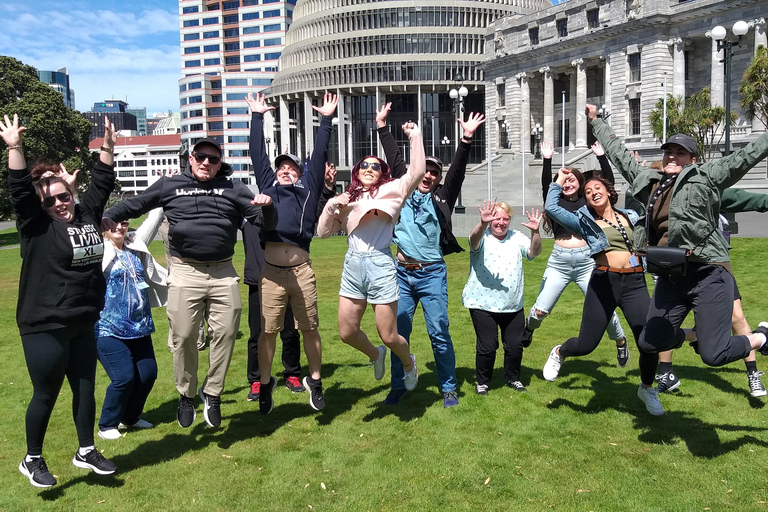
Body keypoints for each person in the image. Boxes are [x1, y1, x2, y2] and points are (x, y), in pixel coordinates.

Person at [102, 137, 277, 429]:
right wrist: (108, 215)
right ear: (191, 158)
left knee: (227, 333)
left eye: (214, 158)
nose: (207, 162)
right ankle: (186, 393)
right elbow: (136, 204)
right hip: (185, 272)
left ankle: (213, 393)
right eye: (201, 156)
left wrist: (268, 207)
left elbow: (266, 223)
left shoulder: (234, 188)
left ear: (220, 163)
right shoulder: (170, 186)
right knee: (183, 337)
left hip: (223, 272)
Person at [587, 104, 768, 384]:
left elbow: (746, 157)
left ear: (692, 159)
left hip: (708, 272)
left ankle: (760, 337)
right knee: (649, 342)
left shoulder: (707, 176)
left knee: (714, 354)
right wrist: (596, 122)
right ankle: (692, 335)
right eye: (668, 151)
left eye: (679, 152)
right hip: (672, 275)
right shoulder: (649, 182)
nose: (671, 156)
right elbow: (619, 155)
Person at [3, 113, 118, 487]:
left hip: (83, 320)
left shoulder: (85, 214)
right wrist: (15, 147)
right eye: (50, 200)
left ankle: (86, 450)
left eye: (64, 196)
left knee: (85, 387)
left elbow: (102, 182)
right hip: (45, 324)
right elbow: (20, 189)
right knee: (46, 393)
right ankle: (31, 458)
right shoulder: (36, 227)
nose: (59, 204)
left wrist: (108, 146)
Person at [376, 103, 485, 407]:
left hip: (432, 273)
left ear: (438, 178)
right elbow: (396, 159)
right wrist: (382, 127)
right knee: (399, 331)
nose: (429, 175)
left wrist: (465, 140)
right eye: (427, 170)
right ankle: (398, 385)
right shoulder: (405, 187)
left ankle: (448, 386)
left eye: (435, 173)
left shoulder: (443, 195)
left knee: (439, 331)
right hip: (402, 273)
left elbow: (459, 170)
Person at [543, 171, 664, 415]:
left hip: (634, 283)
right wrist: (558, 181)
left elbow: (652, 209)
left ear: (608, 191)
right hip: (603, 282)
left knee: (648, 343)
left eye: (597, 188)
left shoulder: (630, 216)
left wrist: (645, 174)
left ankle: (647, 388)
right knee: (586, 344)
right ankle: (560, 352)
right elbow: (551, 207)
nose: (592, 193)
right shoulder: (584, 221)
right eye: (587, 192)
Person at [317, 121, 425, 392]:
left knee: (388, 334)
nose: (369, 169)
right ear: (356, 172)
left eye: (375, 166)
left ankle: (409, 362)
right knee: (346, 333)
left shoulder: (393, 191)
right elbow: (322, 234)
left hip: (380, 264)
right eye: (364, 165)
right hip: (352, 264)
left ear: (382, 172)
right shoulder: (347, 198)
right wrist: (331, 206)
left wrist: (415, 136)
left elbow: (418, 171)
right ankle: (376, 355)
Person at [246, 92, 336, 414]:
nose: (285, 171)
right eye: (281, 167)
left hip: (301, 272)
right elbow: (258, 154)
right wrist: (257, 117)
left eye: (291, 168)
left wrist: (326, 119)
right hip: (271, 272)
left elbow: (321, 151)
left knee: (309, 327)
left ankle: (315, 380)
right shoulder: (268, 188)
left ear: (300, 174)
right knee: (268, 332)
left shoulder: (308, 191)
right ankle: (267, 382)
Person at [525, 141, 629, 366]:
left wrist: (602, 157)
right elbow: (548, 186)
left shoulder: (587, 204)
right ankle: (529, 328)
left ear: (581, 184)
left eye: (572, 179)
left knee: (605, 308)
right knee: (541, 310)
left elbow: (607, 185)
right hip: (559, 263)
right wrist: (547, 161)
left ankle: (620, 341)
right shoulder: (556, 203)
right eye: (563, 181)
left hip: (587, 263)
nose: (567, 183)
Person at [96, 207, 166, 440]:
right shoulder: (98, 249)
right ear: (104, 226)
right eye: (114, 223)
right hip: (108, 327)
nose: (119, 227)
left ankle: (131, 417)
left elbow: (154, 219)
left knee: (148, 374)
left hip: (139, 326)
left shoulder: (135, 243)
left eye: (124, 223)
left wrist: (162, 190)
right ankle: (107, 424)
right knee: (124, 377)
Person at [463, 202, 542, 394]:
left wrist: (536, 233)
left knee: (515, 346)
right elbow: (473, 240)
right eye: (497, 218)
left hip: (512, 304)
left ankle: (513, 378)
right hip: (482, 303)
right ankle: (483, 382)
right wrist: (482, 224)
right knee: (488, 346)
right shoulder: (483, 236)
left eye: (505, 218)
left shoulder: (516, 237)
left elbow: (534, 252)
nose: (501, 222)